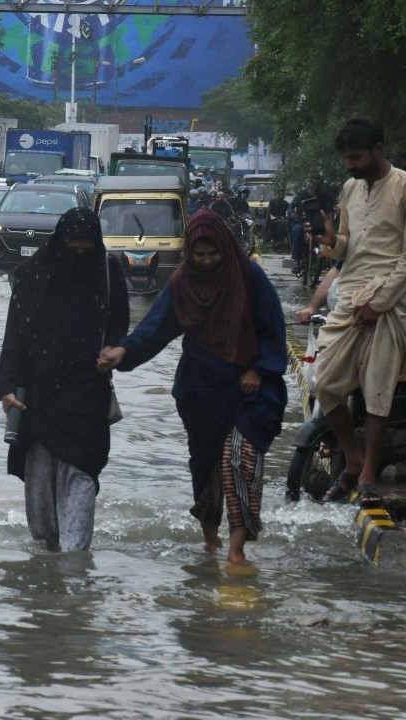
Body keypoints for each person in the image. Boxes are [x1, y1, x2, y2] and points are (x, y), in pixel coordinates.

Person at [97, 209, 287, 563]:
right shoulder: (182, 283)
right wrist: (123, 351)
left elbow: (273, 330)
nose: (206, 261)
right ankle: (211, 542)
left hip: (249, 391)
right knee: (207, 469)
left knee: (240, 462)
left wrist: (258, 370)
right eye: (199, 255)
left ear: (225, 248)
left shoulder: (250, 278)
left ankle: (237, 550)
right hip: (201, 390)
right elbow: (155, 329)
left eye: (212, 254)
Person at [308, 118, 406, 506]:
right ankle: (352, 456)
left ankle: (368, 473)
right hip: (350, 297)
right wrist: (330, 242)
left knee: (377, 389)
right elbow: (347, 246)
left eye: (355, 157)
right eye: (346, 159)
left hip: (392, 301)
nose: (349, 165)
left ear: (378, 149)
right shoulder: (351, 188)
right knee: (324, 383)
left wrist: (380, 302)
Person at [0, 207, 130, 553]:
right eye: (73, 249)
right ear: (60, 245)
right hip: (38, 399)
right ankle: (46, 574)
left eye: (87, 250)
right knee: (41, 501)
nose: (80, 257)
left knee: (81, 479)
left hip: (87, 395)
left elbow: (119, 325)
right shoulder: (32, 276)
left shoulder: (107, 272)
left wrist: (114, 349)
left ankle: (76, 566)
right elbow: (15, 336)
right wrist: (6, 388)